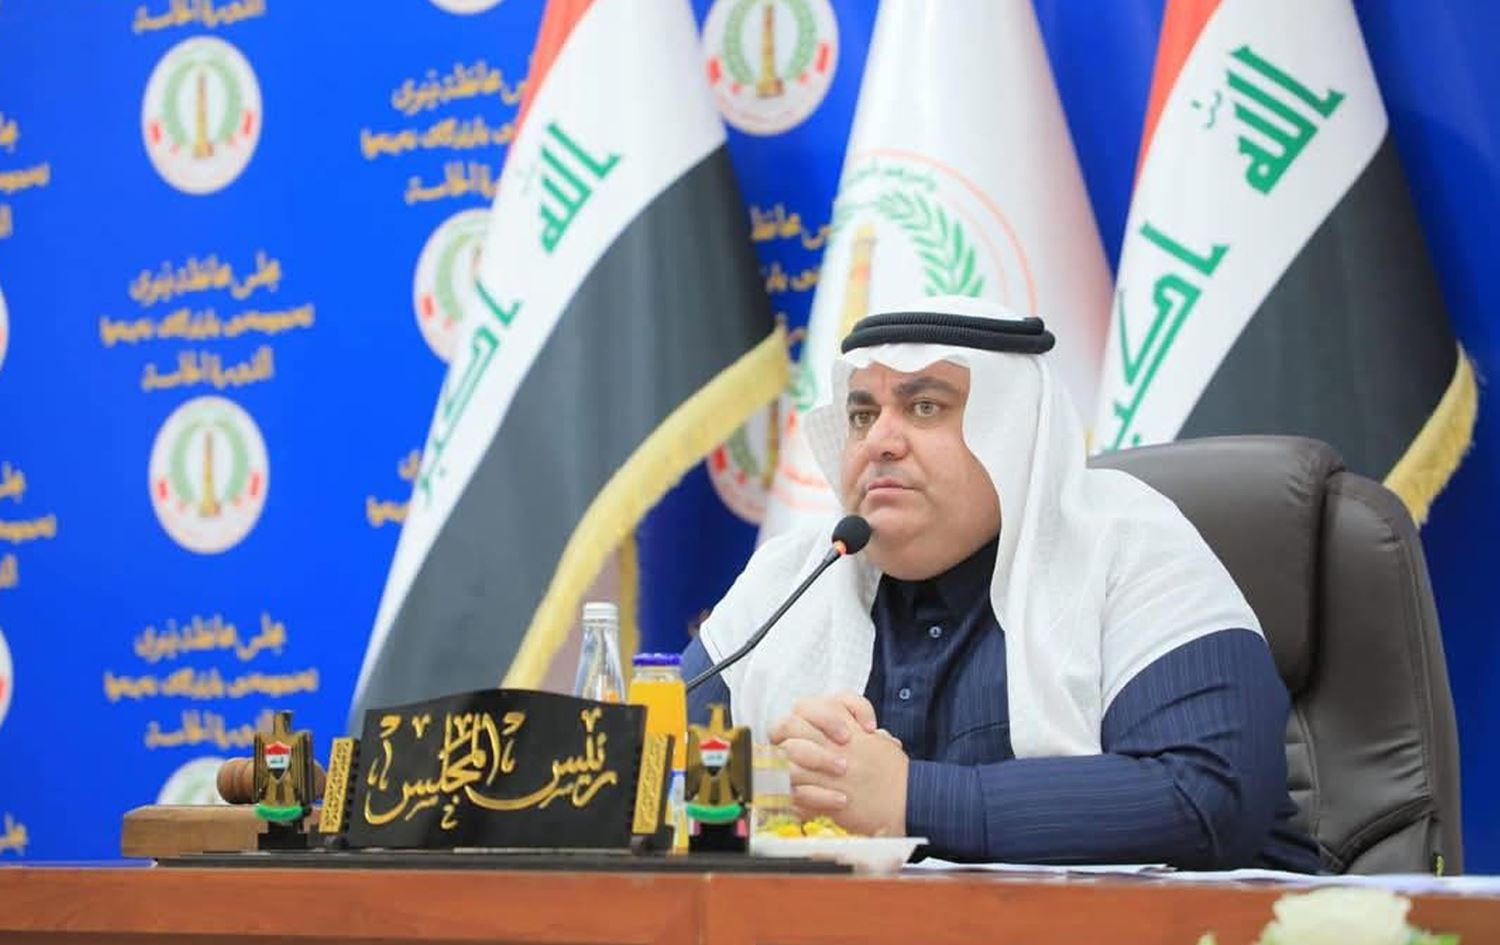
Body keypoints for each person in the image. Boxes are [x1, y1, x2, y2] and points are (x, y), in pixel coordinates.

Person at [681, 297, 1320, 871]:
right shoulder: (793, 577)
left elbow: (1206, 797)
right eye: (862, 414)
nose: (879, 441)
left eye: (925, 407)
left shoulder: (1130, 546)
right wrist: (784, 776)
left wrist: (909, 798)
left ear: (1014, 434)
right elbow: (650, 778)